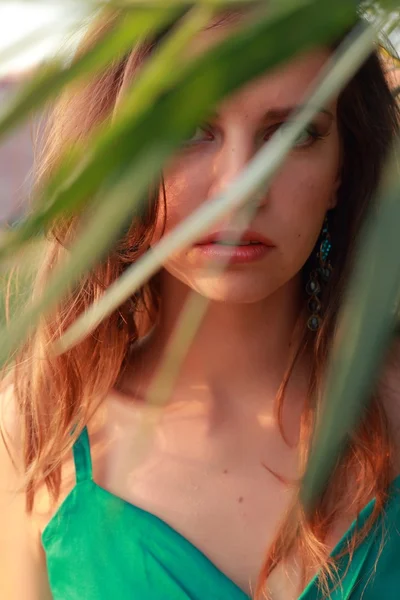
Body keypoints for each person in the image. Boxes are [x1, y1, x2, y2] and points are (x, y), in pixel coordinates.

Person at [1, 5, 400, 600]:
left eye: (294, 133)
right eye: (188, 131)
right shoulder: (35, 431)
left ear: (343, 165)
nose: (240, 190)